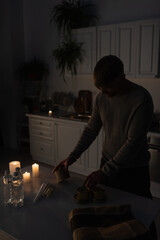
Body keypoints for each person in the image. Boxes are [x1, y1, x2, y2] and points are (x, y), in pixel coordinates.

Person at [53, 55, 154, 199]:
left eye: (108, 89)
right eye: (101, 89)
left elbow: (134, 142)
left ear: (122, 77)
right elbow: (91, 130)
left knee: (141, 216)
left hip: (134, 171)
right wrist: (72, 157)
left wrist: (105, 171)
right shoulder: (101, 98)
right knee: (107, 212)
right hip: (106, 163)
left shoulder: (141, 99)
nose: (103, 93)